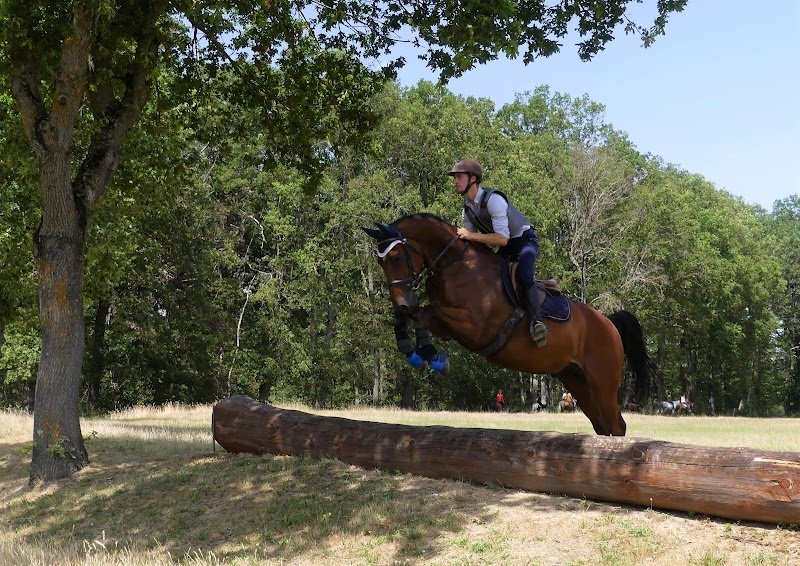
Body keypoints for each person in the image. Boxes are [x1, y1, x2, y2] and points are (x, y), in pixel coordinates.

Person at [448, 158, 549, 346]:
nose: (455, 181)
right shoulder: (468, 209)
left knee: (525, 273)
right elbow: (473, 242)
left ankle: (537, 322)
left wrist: (469, 235)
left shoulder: (494, 200)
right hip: (506, 246)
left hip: (524, 241)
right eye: (455, 178)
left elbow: (502, 238)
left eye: (459, 177)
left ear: (473, 179)